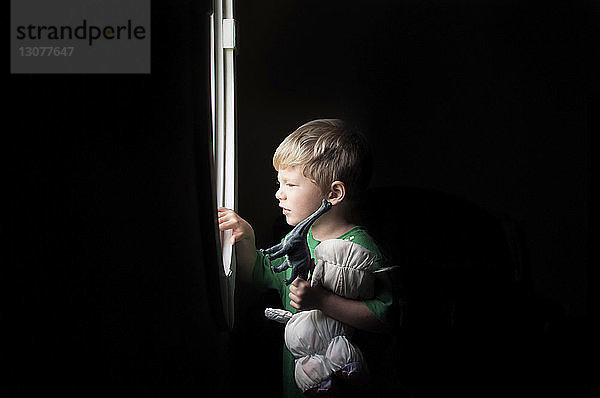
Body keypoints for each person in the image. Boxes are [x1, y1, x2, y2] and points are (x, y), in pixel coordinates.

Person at [218, 119, 397, 398]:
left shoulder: (361, 249)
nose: (279, 193)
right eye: (280, 183)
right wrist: (246, 239)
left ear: (333, 193)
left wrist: (321, 301)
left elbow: (386, 316)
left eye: (291, 183)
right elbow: (258, 273)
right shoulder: (300, 241)